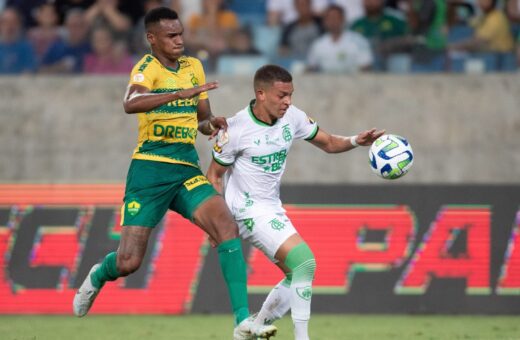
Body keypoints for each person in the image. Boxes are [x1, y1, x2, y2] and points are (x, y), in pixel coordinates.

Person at [72, 7, 277, 340]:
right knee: (128, 262)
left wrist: (214, 124)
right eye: (171, 36)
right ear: (152, 38)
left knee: (225, 224)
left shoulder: (193, 67)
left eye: (180, 33)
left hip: (185, 168)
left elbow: (202, 117)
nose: (180, 40)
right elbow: (130, 102)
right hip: (150, 169)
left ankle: (243, 321)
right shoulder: (147, 68)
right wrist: (179, 94)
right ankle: (99, 274)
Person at [206, 64, 384, 340]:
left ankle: (250, 329)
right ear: (261, 94)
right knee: (304, 263)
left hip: (272, 207)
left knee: (298, 274)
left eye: (290, 94)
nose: (287, 101)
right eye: (281, 95)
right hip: (246, 211)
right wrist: (216, 224)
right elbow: (214, 177)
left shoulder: (293, 117)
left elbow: (328, 142)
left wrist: (355, 140)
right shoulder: (236, 129)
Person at [307, 4, 374, 73]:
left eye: (336, 18)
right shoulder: (318, 44)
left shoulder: (359, 41)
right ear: (325, 21)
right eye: (330, 18)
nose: (333, 21)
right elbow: (311, 68)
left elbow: (366, 67)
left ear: (343, 19)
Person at [0, 7, 36, 74]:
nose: (9, 26)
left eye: (13, 22)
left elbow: (29, 70)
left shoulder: (26, 47)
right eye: (5, 22)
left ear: (19, 24)